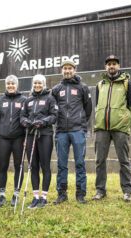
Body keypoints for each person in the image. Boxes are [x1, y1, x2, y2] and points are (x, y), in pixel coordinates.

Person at [92, 55, 131, 202]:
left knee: (124, 160)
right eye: (109, 64)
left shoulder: (127, 84)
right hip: (101, 128)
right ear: (105, 67)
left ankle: (127, 190)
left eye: (114, 64)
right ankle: (100, 190)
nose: (111, 66)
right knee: (99, 160)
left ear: (119, 66)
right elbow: (97, 106)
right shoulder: (100, 85)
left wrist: (125, 121)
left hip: (120, 128)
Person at [52, 60, 92, 204]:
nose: (67, 71)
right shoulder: (56, 89)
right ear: (61, 70)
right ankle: (62, 194)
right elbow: (53, 109)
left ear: (75, 70)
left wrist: (80, 123)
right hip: (61, 131)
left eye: (70, 68)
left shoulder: (83, 87)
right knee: (61, 164)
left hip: (77, 130)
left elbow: (88, 110)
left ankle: (80, 193)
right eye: (65, 68)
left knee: (80, 163)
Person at [0, 75, 27, 207]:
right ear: (6, 85)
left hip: (18, 139)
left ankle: (16, 194)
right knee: (3, 167)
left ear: (17, 85)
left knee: (18, 167)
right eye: (8, 83)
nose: (10, 86)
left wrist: (26, 138)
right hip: (3, 139)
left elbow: (26, 119)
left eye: (13, 83)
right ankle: (2, 195)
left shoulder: (23, 100)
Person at [20, 74, 58, 208]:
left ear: (44, 84)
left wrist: (43, 122)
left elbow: (54, 116)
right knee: (33, 166)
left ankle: (44, 197)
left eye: (40, 83)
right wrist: (25, 122)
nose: (37, 85)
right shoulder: (28, 100)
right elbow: (22, 116)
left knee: (44, 165)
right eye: (35, 83)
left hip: (45, 135)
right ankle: (35, 197)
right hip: (30, 135)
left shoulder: (50, 98)